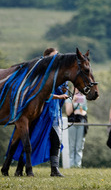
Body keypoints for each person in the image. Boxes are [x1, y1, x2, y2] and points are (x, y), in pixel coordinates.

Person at [11, 47, 69, 177]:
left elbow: (61, 89)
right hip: (39, 111)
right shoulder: (41, 72)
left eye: (58, 55)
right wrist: (59, 96)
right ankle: (20, 168)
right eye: (54, 55)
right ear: (46, 57)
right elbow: (41, 92)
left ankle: (54, 169)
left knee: (56, 140)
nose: (57, 58)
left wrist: (64, 90)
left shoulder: (58, 73)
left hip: (54, 112)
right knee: (29, 139)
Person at [66, 89, 88, 168]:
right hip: (72, 121)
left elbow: (85, 110)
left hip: (81, 121)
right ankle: (71, 164)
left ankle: (78, 165)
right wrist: (73, 101)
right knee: (72, 145)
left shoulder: (84, 97)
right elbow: (68, 112)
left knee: (79, 145)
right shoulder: (69, 98)